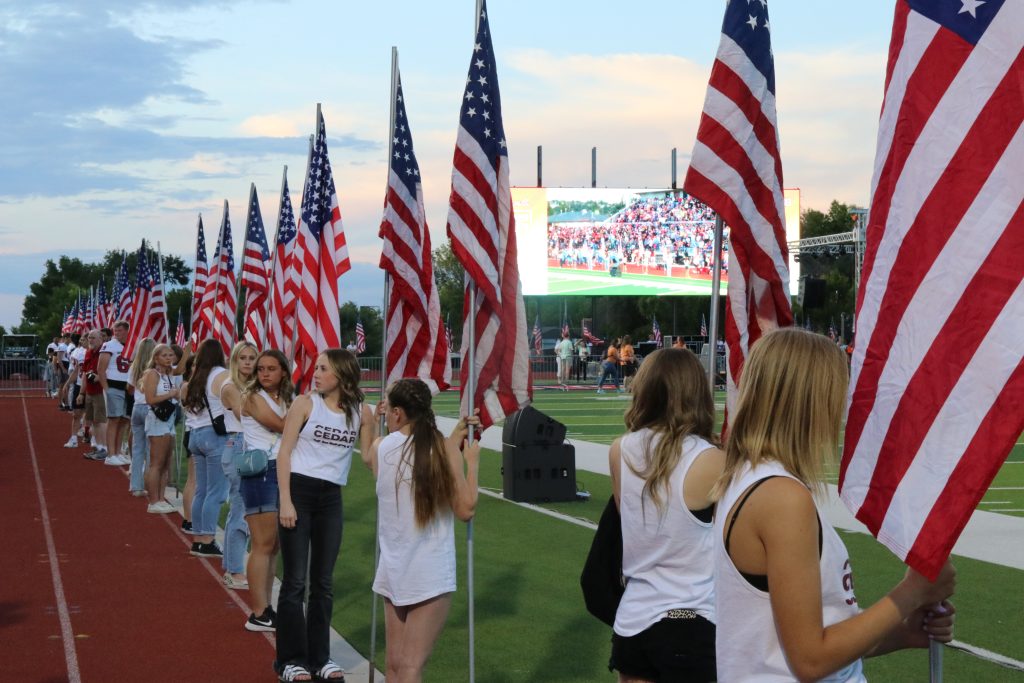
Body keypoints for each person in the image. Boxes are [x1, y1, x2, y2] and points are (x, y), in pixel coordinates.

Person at [712, 328, 956, 681]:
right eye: (836, 392)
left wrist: (900, 632)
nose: (842, 408)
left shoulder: (755, 479)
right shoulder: (781, 497)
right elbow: (811, 660)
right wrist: (913, 591)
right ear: (809, 401)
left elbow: (810, 631)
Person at [607, 348, 723, 682]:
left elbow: (629, 519)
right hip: (693, 618)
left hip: (634, 620)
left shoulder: (620, 450)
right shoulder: (712, 459)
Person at [365, 379, 480, 683]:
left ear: (399, 413)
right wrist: (472, 463)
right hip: (429, 571)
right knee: (412, 666)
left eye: (388, 410)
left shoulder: (381, 448)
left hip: (394, 567)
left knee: (394, 665)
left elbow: (394, 459)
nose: (386, 415)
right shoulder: (442, 451)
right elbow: (465, 509)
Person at [274, 349, 376, 682]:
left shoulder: (362, 412)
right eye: (316, 367)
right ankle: (290, 661)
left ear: (342, 375)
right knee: (295, 583)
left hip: (331, 497)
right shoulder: (305, 404)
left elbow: (369, 459)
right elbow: (284, 453)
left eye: (323, 369)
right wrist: (286, 501)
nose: (315, 373)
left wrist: (382, 421)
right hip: (299, 494)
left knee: (323, 584)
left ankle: (320, 658)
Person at [239, 349, 294, 632]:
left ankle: (266, 608)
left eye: (271, 368)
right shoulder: (251, 397)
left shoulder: (286, 398)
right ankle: (259, 612)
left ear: (283, 371)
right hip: (261, 472)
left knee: (273, 545)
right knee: (262, 543)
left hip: (281, 470)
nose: (264, 373)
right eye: (261, 369)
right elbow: (283, 426)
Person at [181, 339, 229, 558]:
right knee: (215, 491)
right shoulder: (220, 374)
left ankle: (199, 538)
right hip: (214, 435)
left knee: (202, 489)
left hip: (195, 435)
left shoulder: (195, 376)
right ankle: (208, 538)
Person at [216, 341, 258, 590]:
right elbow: (248, 417)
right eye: (243, 357)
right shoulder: (231, 386)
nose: (247, 362)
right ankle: (234, 569)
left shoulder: (252, 386)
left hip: (250, 446)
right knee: (241, 510)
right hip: (239, 445)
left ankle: (231, 566)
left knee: (244, 509)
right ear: (234, 360)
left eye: (252, 358)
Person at [141, 344, 181, 513]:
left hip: (169, 419)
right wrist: (171, 395)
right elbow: (150, 398)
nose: (168, 358)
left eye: (170, 355)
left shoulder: (170, 375)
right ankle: (153, 500)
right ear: (156, 358)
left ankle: (161, 497)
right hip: (157, 419)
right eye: (164, 355)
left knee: (165, 463)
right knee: (156, 462)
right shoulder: (152, 374)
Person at [98, 320, 131, 466]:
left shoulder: (131, 345)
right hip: (114, 386)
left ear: (127, 331)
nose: (116, 333)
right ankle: (110, 454)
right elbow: (100, 369)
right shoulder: (109, 345)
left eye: (120, 331)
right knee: (114, 420)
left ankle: (117, 452)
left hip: (128, 387)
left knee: (124, 421)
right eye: (115, 331)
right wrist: (107, 389)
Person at [126, 338, 157, 496]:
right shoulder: (155, 369)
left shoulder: (134, 367)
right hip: (150, 408)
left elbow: (129, 389)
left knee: (138, 449)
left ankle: (136, 486)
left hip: (137, 407)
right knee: (152, 450)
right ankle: (151, 486)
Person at [79, 330, 110, 460]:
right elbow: (86, 375)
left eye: (93, 337)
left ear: (101, 339)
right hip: (90, 392)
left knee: (100, 421)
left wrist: (99, 378)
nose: (90, 340)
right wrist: (81, 393)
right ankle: (98, 447)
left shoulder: (105, 352)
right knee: (93, 421)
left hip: (100, 391)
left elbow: (111, 372)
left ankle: (104, 448)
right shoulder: (88, 353)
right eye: (89, 337)